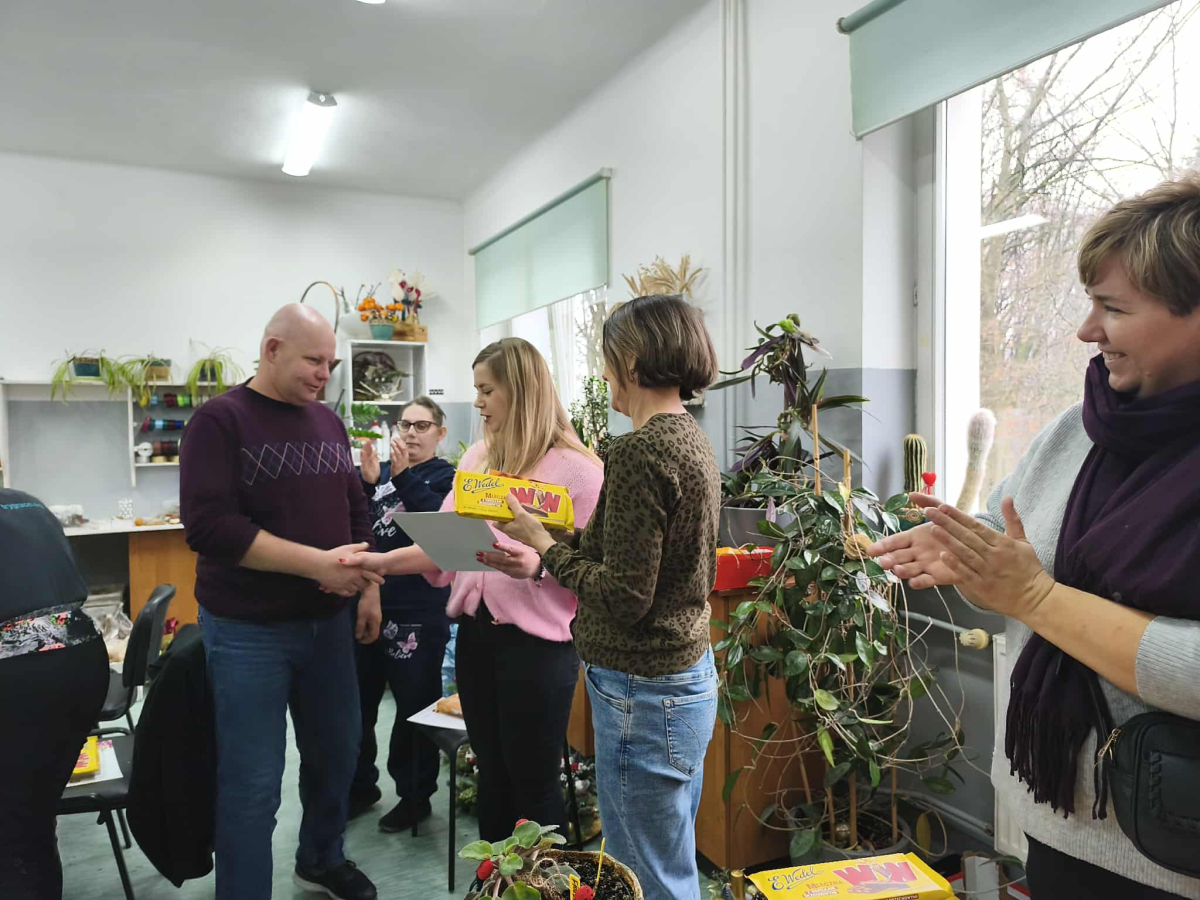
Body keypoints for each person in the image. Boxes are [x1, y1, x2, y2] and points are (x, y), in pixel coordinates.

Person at [869, 177, 1200, 900]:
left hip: (1175, 851)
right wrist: (967, 550)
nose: (1087, 330)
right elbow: (1010, 530)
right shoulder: (1079, 429)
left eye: (1114, 308)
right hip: (1059, 815)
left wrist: (1036, 598)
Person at [491, 295, 722, 900]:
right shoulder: (689, 438)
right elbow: (628, 555)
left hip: (642, 691)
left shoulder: (641, 450)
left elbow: (623, 596)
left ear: (634, 361)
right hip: (681, 677)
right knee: (668, 860)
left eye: (608, 358)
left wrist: (544, 545)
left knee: (645, 872)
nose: (604, 373)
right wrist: (550, 533)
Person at [345, 338, 604, 841]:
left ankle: (539, 883)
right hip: (476, 638)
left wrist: (539, 564)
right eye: (477, 390)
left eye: (487, 391)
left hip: (538, 650)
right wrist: (379, 563)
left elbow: (598, 570)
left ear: (521, 391)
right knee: (492, 775)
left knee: (533, 783)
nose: (478, 402)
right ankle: (493, 878)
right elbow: (445, 544)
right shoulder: (479, 459)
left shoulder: (581, 472)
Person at [180, 303, 384, 900]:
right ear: (271, 350)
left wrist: (370, 586)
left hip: (330, 626)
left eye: (331, 364)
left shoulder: (328, 423)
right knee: (252, 782)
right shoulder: (219, 422)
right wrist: (316, 564)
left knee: (336, 756)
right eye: (313, 360)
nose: (324, 374)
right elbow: (211, 528)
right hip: (248, 632)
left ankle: (321, 860)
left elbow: (355, 510)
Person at [350, 396, 455, 832]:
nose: (411, 433)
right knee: (358, 704)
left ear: (440, 433)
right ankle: (360, 786)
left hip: (418, 613)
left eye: (422, 425)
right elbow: (361, 526)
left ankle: (415, 797)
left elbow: (441, 532)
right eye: (405, 424)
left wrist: (402, 477)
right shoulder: (377, 472)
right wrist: (367, 485)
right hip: (366, 602)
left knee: (413, 707)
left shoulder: (446, 478)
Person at [0, 488, 109, 900]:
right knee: (32, 817)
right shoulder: (25, 502)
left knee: (13, 827)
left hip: (22, 674)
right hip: (82, 659)